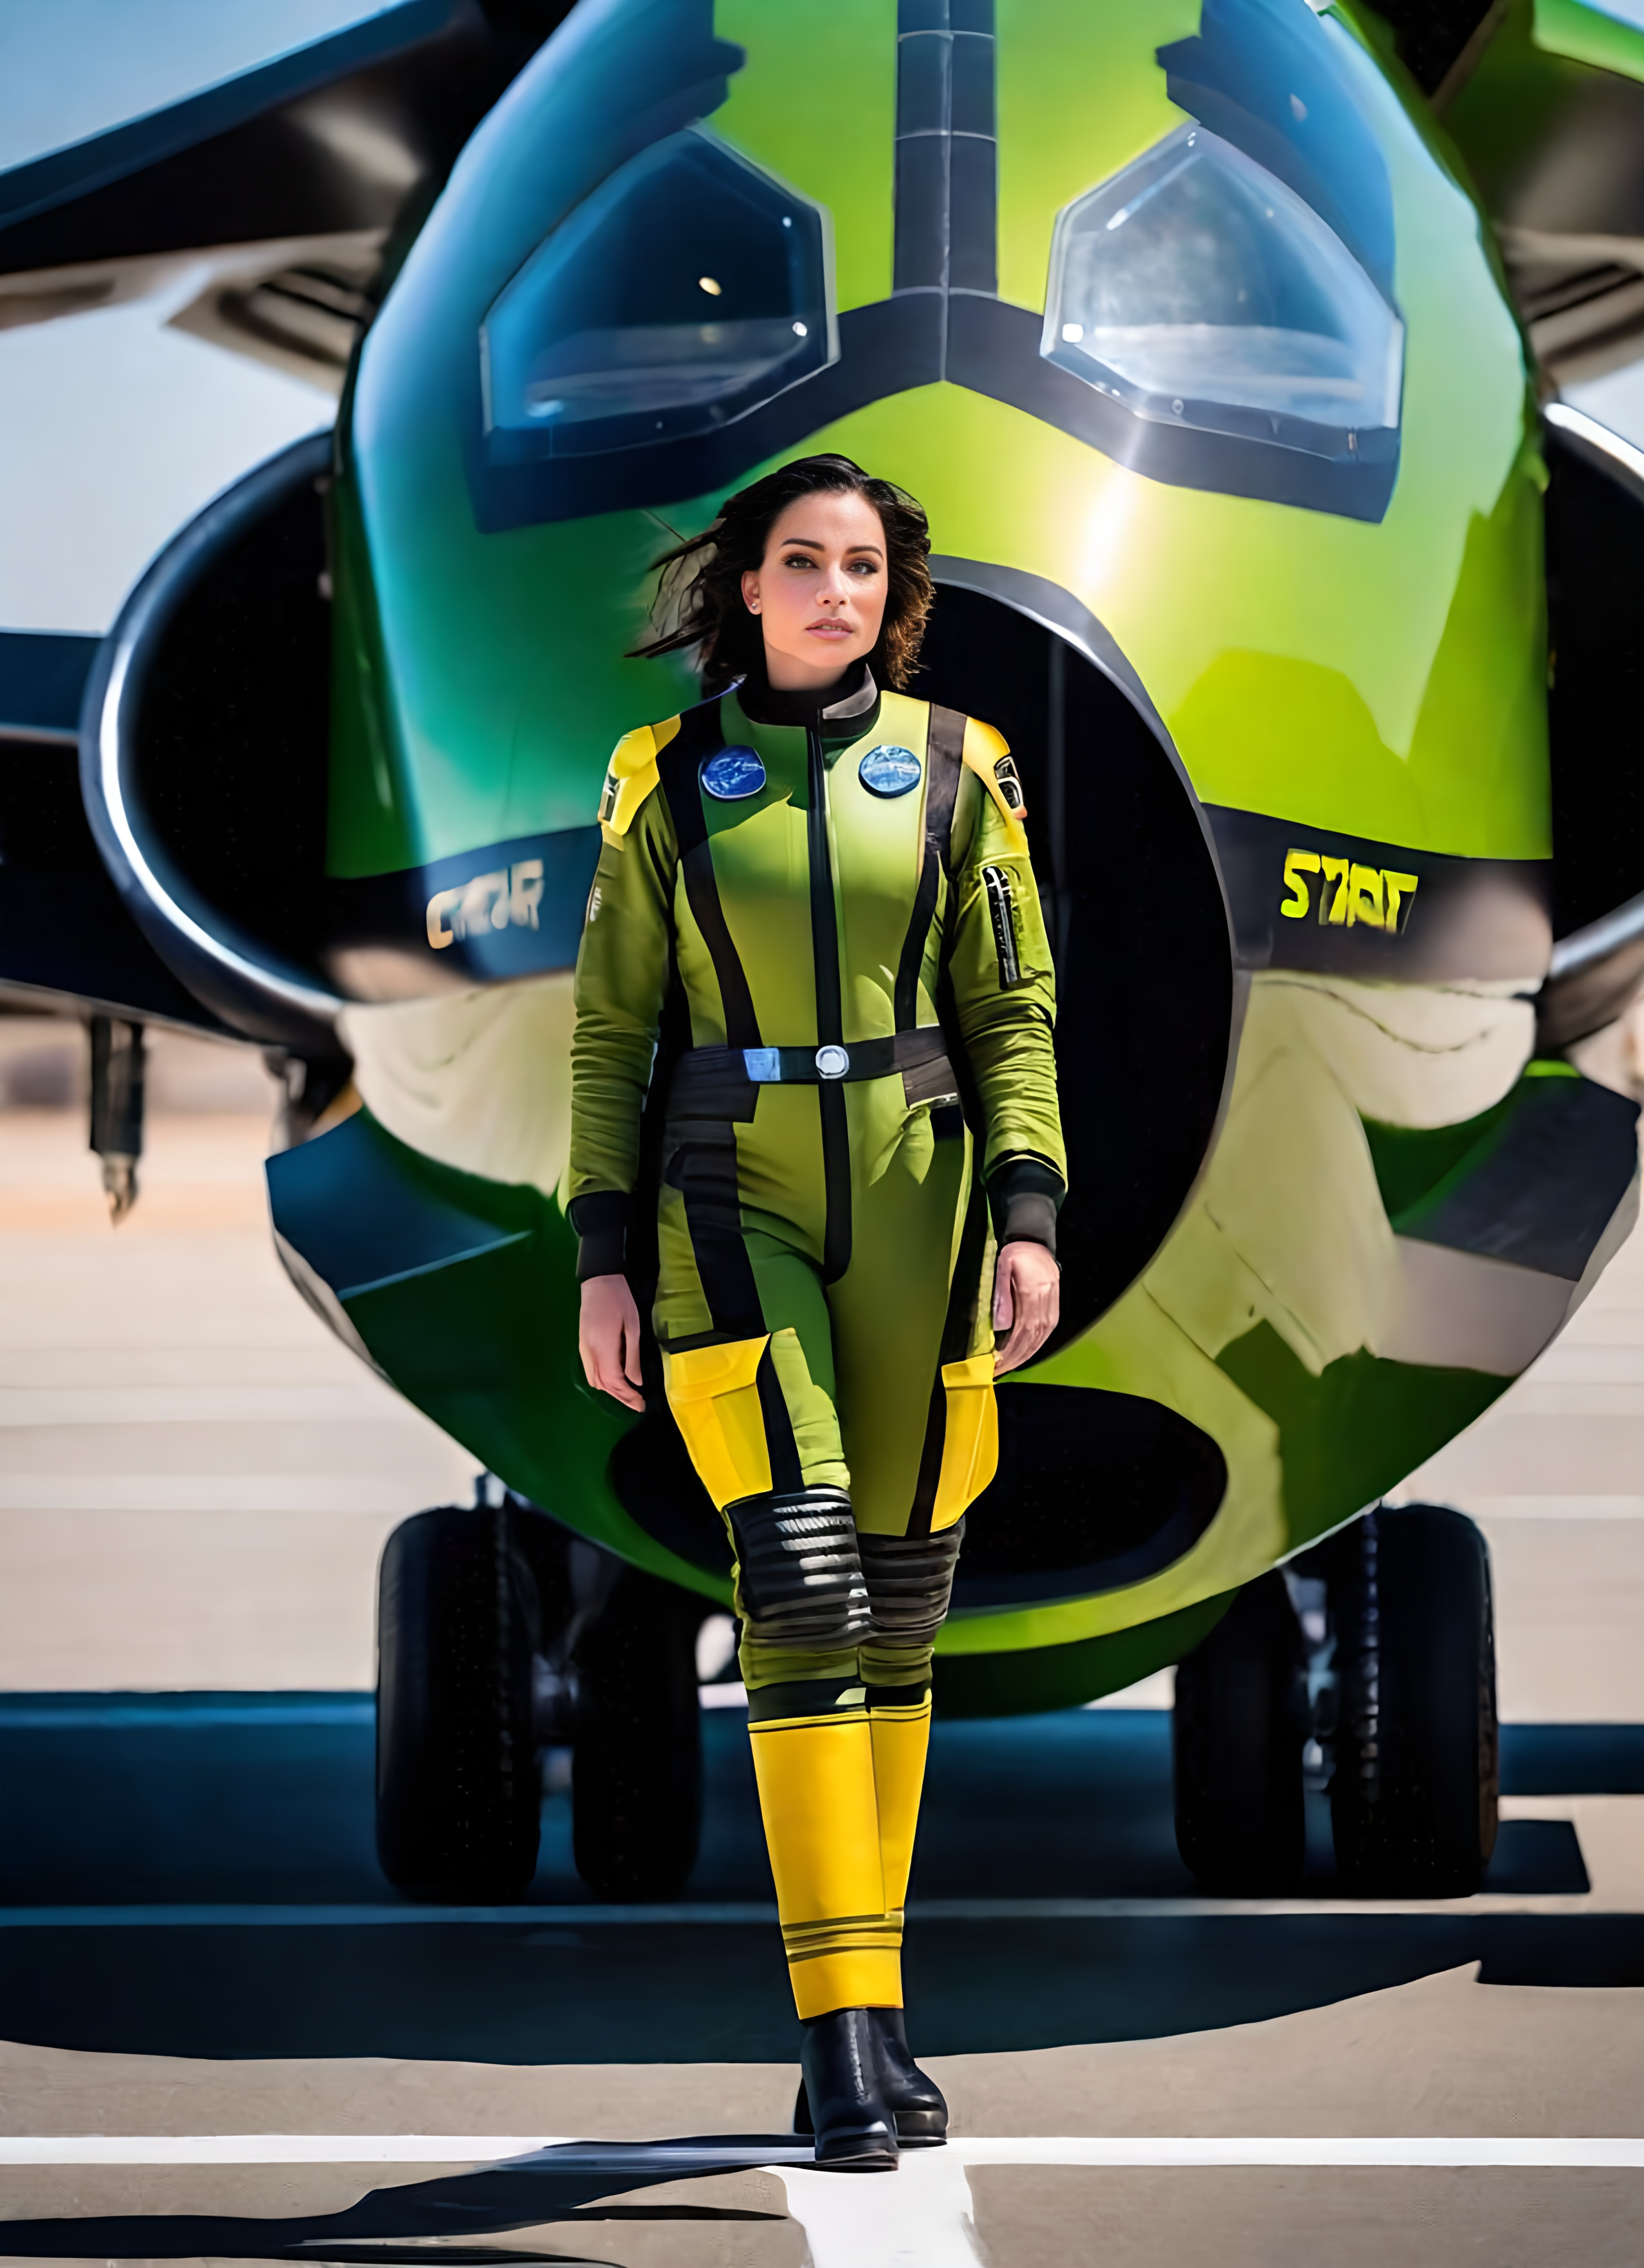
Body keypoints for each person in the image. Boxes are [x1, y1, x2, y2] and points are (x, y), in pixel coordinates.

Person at [566, 453, 1065, 2169]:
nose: (834, 591)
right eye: (803, 561)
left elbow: (1012, 1008)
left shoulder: (956, 769)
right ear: (749, 585)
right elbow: (612, 1035)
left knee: (905, 1604)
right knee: (799, 1573)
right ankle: (841, 2038)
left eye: (862, 567)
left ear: (889, 596)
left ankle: (877, 2006)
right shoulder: (664, 782)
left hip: (923, 1204)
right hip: (729, 1195)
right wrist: (600, 1250)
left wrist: (1029, 1214)